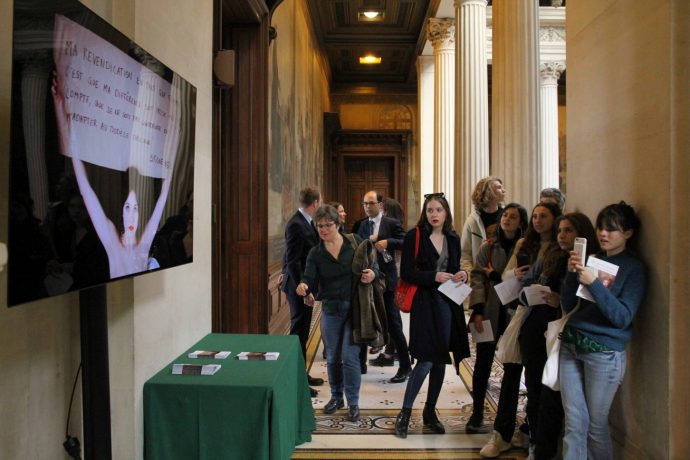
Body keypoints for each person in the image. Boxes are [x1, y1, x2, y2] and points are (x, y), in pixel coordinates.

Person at [52, 73, 177, 280]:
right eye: (128, 207)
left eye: (135, 208)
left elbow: (164, 194)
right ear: (121, 211)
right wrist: (63, 120)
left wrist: (172, 136)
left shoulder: (143, 244)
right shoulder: (111, 239)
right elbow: (86, 189)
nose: (131, 214)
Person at [559, 202, 646, 459]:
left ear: (628, 233)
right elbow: (568, 305)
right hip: (571, 345)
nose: (603, 234)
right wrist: (572, 274)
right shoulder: (594, 259)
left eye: (612, 229)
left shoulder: (634, 268)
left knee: (596, 427)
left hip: (604, 354)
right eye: (601, 227)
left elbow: (622, 317)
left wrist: (595, 284)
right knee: (574, 424)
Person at [479, 201, 562, 458]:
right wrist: (514, 273)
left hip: (548, 320)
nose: (538, 221)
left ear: (555, 219)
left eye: (544, 216)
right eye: (535, 216)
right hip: (521, 315)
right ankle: (502, 433)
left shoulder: (561, 250)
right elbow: (506, 277)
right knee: (511, 375)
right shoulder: (524, 244)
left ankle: (531, 433)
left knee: (538, 383)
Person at [517, 212, 599, 459]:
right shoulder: (549, 255)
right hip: (535, 329)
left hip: (561, 335)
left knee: (552, 397)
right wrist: (532, 293)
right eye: (560, 230)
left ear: (581, 235)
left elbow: (583, 303)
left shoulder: (589, 263)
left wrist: (558, 300)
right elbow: (522, 290)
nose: (562, 236)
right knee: (534, 390)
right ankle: (535, 443)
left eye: (569, 231)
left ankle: (546, 449)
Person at [394, 192, 470, 438]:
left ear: (446, 212)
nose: (434, 214)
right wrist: (433, 276)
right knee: (426, 359)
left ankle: (430, 411)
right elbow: (406, 273)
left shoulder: (453, 238)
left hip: (448, 303)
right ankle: (404, 413)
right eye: (430, 210)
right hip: (425, 305)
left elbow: (456, 267)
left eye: (438, 210)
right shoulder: (414, 236)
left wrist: (462, 276)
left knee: (440, 360)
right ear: (425, 213)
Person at [296, 205, 379, 422]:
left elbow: (375, 266)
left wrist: (372, 274)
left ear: (338, 224)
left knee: (349, 357)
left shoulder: (355, 242)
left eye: (327, 225)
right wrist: (304, 286)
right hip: (331, 310)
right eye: (319, 226)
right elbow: (308, 277)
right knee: (332, 357)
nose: (323, 230)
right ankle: (336, 397)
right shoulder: (316, 253)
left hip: (355, 309)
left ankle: (353, 402)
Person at [466, 203, 528, 433]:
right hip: (489, 311)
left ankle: (506, 415)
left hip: (514, 313)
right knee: (482, 362)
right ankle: (477, 411)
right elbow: (477, 279)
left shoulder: (525, 249)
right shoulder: (489, 247)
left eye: (513, 217)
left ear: (521, 222)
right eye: (505, 216)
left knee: (512, 365)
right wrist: (478, 309)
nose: (507, 220)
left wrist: (498, 275)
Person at [358, 190, 410, 383]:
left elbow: (406, 242)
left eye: (371, 203)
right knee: (364, 320)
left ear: (380, 205)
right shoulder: (362, 225)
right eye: (364, 203)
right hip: (366, 281)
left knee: (393, 324)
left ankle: (405, 365)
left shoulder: (391, 224)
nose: (367, 207)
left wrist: (388, 242)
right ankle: (360, 364)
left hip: (387, 281)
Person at [281, 187, 324, 396]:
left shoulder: (305, 221)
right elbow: (292, 259)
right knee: (298, 333)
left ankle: (302, 374)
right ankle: (297, 382)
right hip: (299, 288)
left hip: (304, 285)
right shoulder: (297, 224)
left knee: (304, 331)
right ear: (315, 202)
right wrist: (302, 287)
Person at [460, 177, 507, 275]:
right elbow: (465, 255)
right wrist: (471, 276)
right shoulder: (472, 221)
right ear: (488, 193)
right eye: (498, 187)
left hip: (502, 274)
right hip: (479, 276)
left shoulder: (506, 217)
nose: (503, 190)